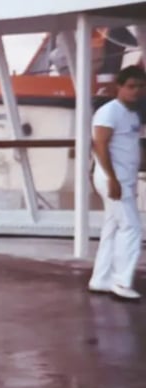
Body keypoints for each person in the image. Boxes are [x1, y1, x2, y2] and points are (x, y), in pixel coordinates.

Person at [88, 65, 146, 300]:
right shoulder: (109, 111)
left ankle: (101, 279)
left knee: (112, 227)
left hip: (125, 178)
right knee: (131, 227)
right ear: (119, 87)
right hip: (113, 177)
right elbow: (100, 145)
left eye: (141, 87)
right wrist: (111, 178)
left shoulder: (132, 114)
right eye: (131, 86)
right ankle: (121, 282)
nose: (136, 91)